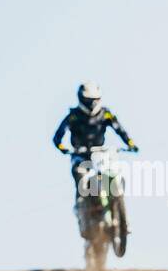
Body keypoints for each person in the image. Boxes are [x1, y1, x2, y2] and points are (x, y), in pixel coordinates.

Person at [51, 82, 137, 238]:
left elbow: (119, 129)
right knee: (82, 181)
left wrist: (130, 143)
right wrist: (64, 148)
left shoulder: (105, 114)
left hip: (101, 155)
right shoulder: (74, 116)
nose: (93, 103)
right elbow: (58, 136)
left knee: (113, 176)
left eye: (96, 99)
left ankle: (125, 220)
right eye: (90, 100)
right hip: (80, 156)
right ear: (82, 99)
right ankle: (81, 212)